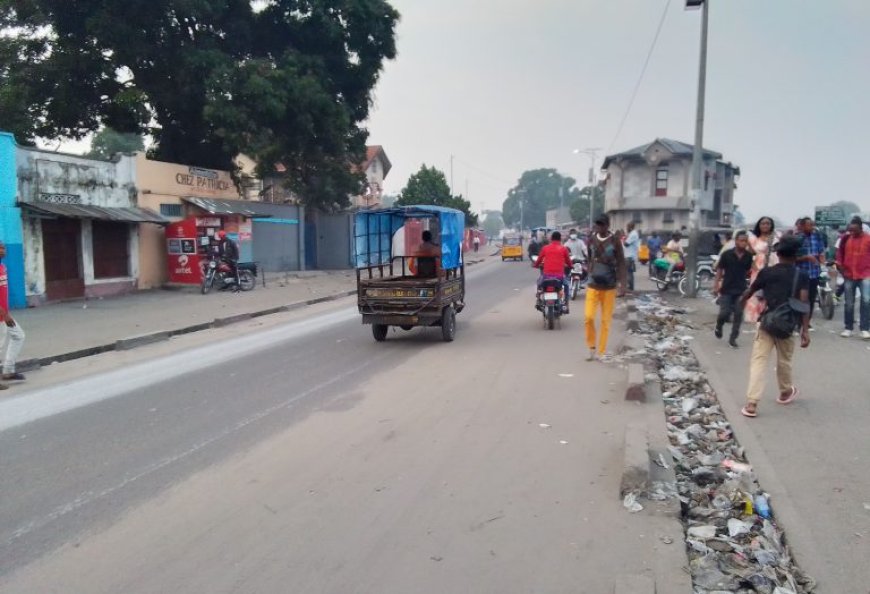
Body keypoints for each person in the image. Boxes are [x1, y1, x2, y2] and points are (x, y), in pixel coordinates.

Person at [739, 236, 811, 418]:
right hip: (787, 326)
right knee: (784, 360)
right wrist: (805, 331)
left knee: (759, 361)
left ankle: (751, 404)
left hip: (767, 323)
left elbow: (750, 290)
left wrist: (741, 301)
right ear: (796, 256)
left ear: (777, 254)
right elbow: (804, 303)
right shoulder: (801, 276)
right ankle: (786, 392)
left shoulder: (767, 273)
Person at [585, 215, 626, 361]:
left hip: (609, 286)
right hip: (593, 284)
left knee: (605, 321)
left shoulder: (615, 241)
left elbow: (621, 262)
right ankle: (591, 346)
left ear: (608, 225)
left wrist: (623, 285)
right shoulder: (591, 239)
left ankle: (601, 351)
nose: (600, 227)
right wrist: (589, 269)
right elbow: (589, 257)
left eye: (602, 225)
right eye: (598, 224)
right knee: (588, 317)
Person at [713, 230, 753, 348]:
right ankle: (719, 326)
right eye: (741, 240)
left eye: (746, 241)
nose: (743, 243)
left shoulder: (748, 256)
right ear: (736, 241)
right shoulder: (727, 254)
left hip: (741, 290)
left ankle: (733, 338)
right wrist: (716, 286)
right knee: (724, 314)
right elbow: (720, 270)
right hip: (726, 289)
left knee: (738, 314)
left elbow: (747, 271)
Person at [835, 217, 870, 339]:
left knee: (866, 301)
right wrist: (839, 264)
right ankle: (848, 328)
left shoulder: (868, 239)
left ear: (861, 228)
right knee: (849, 303)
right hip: (849, 274)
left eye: (854, 230)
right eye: (850, 230)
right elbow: (839, 253)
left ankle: (865, 329)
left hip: (865, 274)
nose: (852, 232)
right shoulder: (845, 238)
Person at [744, 216, 780, 323]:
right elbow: (748, 254)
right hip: (758, 269)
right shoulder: (752, 239)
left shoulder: (776, 238)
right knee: (757, 292)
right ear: (759, 226)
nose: (765, 226)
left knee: (771, 292)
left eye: (767, 223)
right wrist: (751, 264)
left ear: (771, 225)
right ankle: (756, 317)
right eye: (763, 223)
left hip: (773, 267)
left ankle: (770, 316)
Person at [0, 241, 25, 388]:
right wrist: (5, 315)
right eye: (0, 248)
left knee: (18, 335)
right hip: (1, 316)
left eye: (3, 248)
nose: (3, 250)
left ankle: (8, 371)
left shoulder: (3, 267)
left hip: (4, 314)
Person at [795, 217, 826, 325]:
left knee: (811, 299)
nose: (812, 227)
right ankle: (798, 322)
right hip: (800, 273)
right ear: (802, 226)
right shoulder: (797, 238)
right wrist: (807, 258)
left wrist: (822, 262)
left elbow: (821, 252)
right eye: (809, 225)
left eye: (812, 225)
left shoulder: (817, 236)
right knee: (800, 298)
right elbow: (793, 257)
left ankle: (806, 322)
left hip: (814, 273)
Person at [534, 230, 572, 313]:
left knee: (538, 284)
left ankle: (538, 300)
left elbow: (539, 260)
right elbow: (569, 262)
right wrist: (571, 266)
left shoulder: (545, 248)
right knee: (566, 285)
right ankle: (566, 304)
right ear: (560, 239)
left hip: (546, 276)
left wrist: (536, 265)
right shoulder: (564, 249)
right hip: (559, 277)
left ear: (551, 239)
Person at [623, 222, 640, 292]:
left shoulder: (633, 234)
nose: (626, 229)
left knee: (628, 272)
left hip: (629, 256)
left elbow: (626, 244)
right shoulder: (632, 234)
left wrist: (623, 238)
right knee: (630, 272)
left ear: (630, 227)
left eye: (627, 227)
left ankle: (630, 288)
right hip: (630, 255)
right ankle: (630, 287)